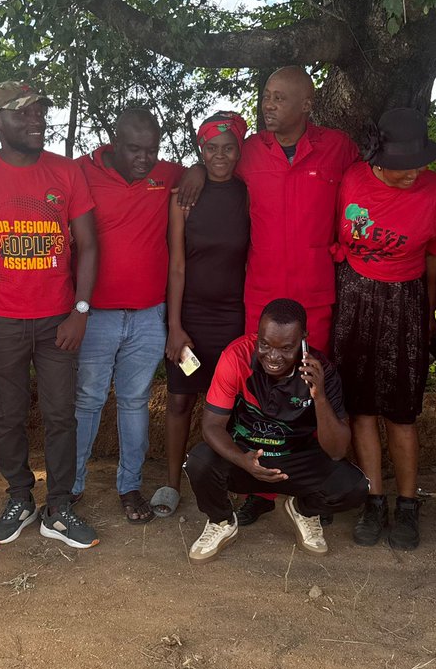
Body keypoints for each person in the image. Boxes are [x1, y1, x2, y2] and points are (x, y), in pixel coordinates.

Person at [208, 66, 360, 527]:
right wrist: (196, 174)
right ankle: (259, 489)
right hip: (262, 298)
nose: (267, 106)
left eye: (278, 98)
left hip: (315, 297)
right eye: (266, 97)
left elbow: (362, 197)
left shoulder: (338, 149)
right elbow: (213, 165)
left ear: (306, 105)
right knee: (258, 394)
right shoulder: (250, 150)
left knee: (311, 390)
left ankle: (305, 489)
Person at [0, 81, 101, 549]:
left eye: (40, 111)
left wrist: (80, 310)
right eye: (22, 114)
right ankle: (20, 496)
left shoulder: (67, 173)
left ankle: (58, 506)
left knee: (62, 415)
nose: (35, 119)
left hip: (58, 318)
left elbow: (89, 245)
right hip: (1, 320)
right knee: (9, 414)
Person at [333, 108, 436, 550]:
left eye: (420, 163)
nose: (414, 173)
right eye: (404, 167)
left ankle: (406, 503)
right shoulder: (351, 180)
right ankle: (372, 498)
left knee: (402, 412)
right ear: (378, 159)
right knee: (362, 408)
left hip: (406, 300)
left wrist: (431, 314)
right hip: (354, 299)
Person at [184, 299, 368, 563]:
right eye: (265, 344)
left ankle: (303, 510)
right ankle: (221, 521)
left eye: (286, 348)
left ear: (303, 339)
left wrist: (320, 397)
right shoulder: (236, 357)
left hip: (294, 459)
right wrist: (241, 460)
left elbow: (337, 450)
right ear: (258, 334)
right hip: (245, 454)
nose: (273, 356)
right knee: (199, 461)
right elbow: (211, 425)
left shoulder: (322, 370)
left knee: (354, 487)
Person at [73, 108, 184, 523]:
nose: (144, 159)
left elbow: (200, 171)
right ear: (113, 143)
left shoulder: (166, 174)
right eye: (135, 149)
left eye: (151, 150)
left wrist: (195, 175)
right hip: (95, 315)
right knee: (87, 400)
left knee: (135, 401)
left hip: (147, 316)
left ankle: (130, 485)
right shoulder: (81, 172)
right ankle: (72, 486)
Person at [158, 111, 250, 517]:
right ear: (200, 149)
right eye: (210, 149)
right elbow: (176, 266)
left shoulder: (248, 194)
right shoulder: (184, 198)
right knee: (180, 400)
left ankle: (224, 480)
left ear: (239, 150)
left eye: (228, 148)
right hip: (191, 317)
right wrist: (174, 326)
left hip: (233, 316)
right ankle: (171, 483)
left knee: (230, 404)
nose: (219, 157)